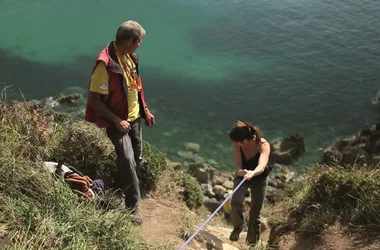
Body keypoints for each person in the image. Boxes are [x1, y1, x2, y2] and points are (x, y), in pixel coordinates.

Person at [84, 20, 155, 225]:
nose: (140, 44)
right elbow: (94, 100)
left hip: (134, 119)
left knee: (137, 158)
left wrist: (146, 111)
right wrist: (116, 121)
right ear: (130, 40)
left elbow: (136, 87)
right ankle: (132, 208)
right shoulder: (104, 64)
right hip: (117, 122)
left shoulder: (130, 57)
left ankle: (122, 185)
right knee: (127, 159)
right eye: (139, 41)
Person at [228, 121, 272, 246]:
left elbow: (262, 166)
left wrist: (252, 173)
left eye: (236, 141)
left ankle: (252, 244)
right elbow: (237, 166)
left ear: (245, 141)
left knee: (255, 212)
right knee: (236, 201)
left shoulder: (264, 145)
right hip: (243, 176)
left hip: (259, 178)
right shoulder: (238, 145)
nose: (234, 144)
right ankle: (238, 228)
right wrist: (242, 172)